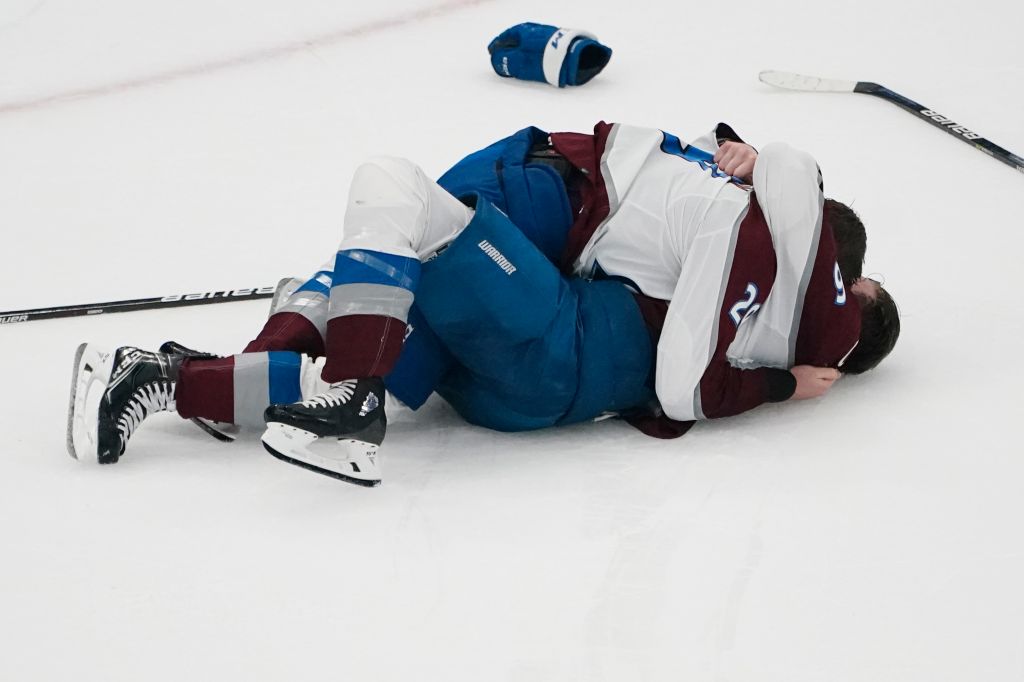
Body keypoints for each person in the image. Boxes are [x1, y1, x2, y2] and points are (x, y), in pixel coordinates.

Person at [66, 121, 899, 485]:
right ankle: (180, 382)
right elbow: (786, 176)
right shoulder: (757, 317)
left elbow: (792, 171)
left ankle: (327, 387)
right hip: (524, 364)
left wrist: (742, 168)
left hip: (549, 310)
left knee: (390, 203)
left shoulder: (741, 263)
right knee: (379, 330)